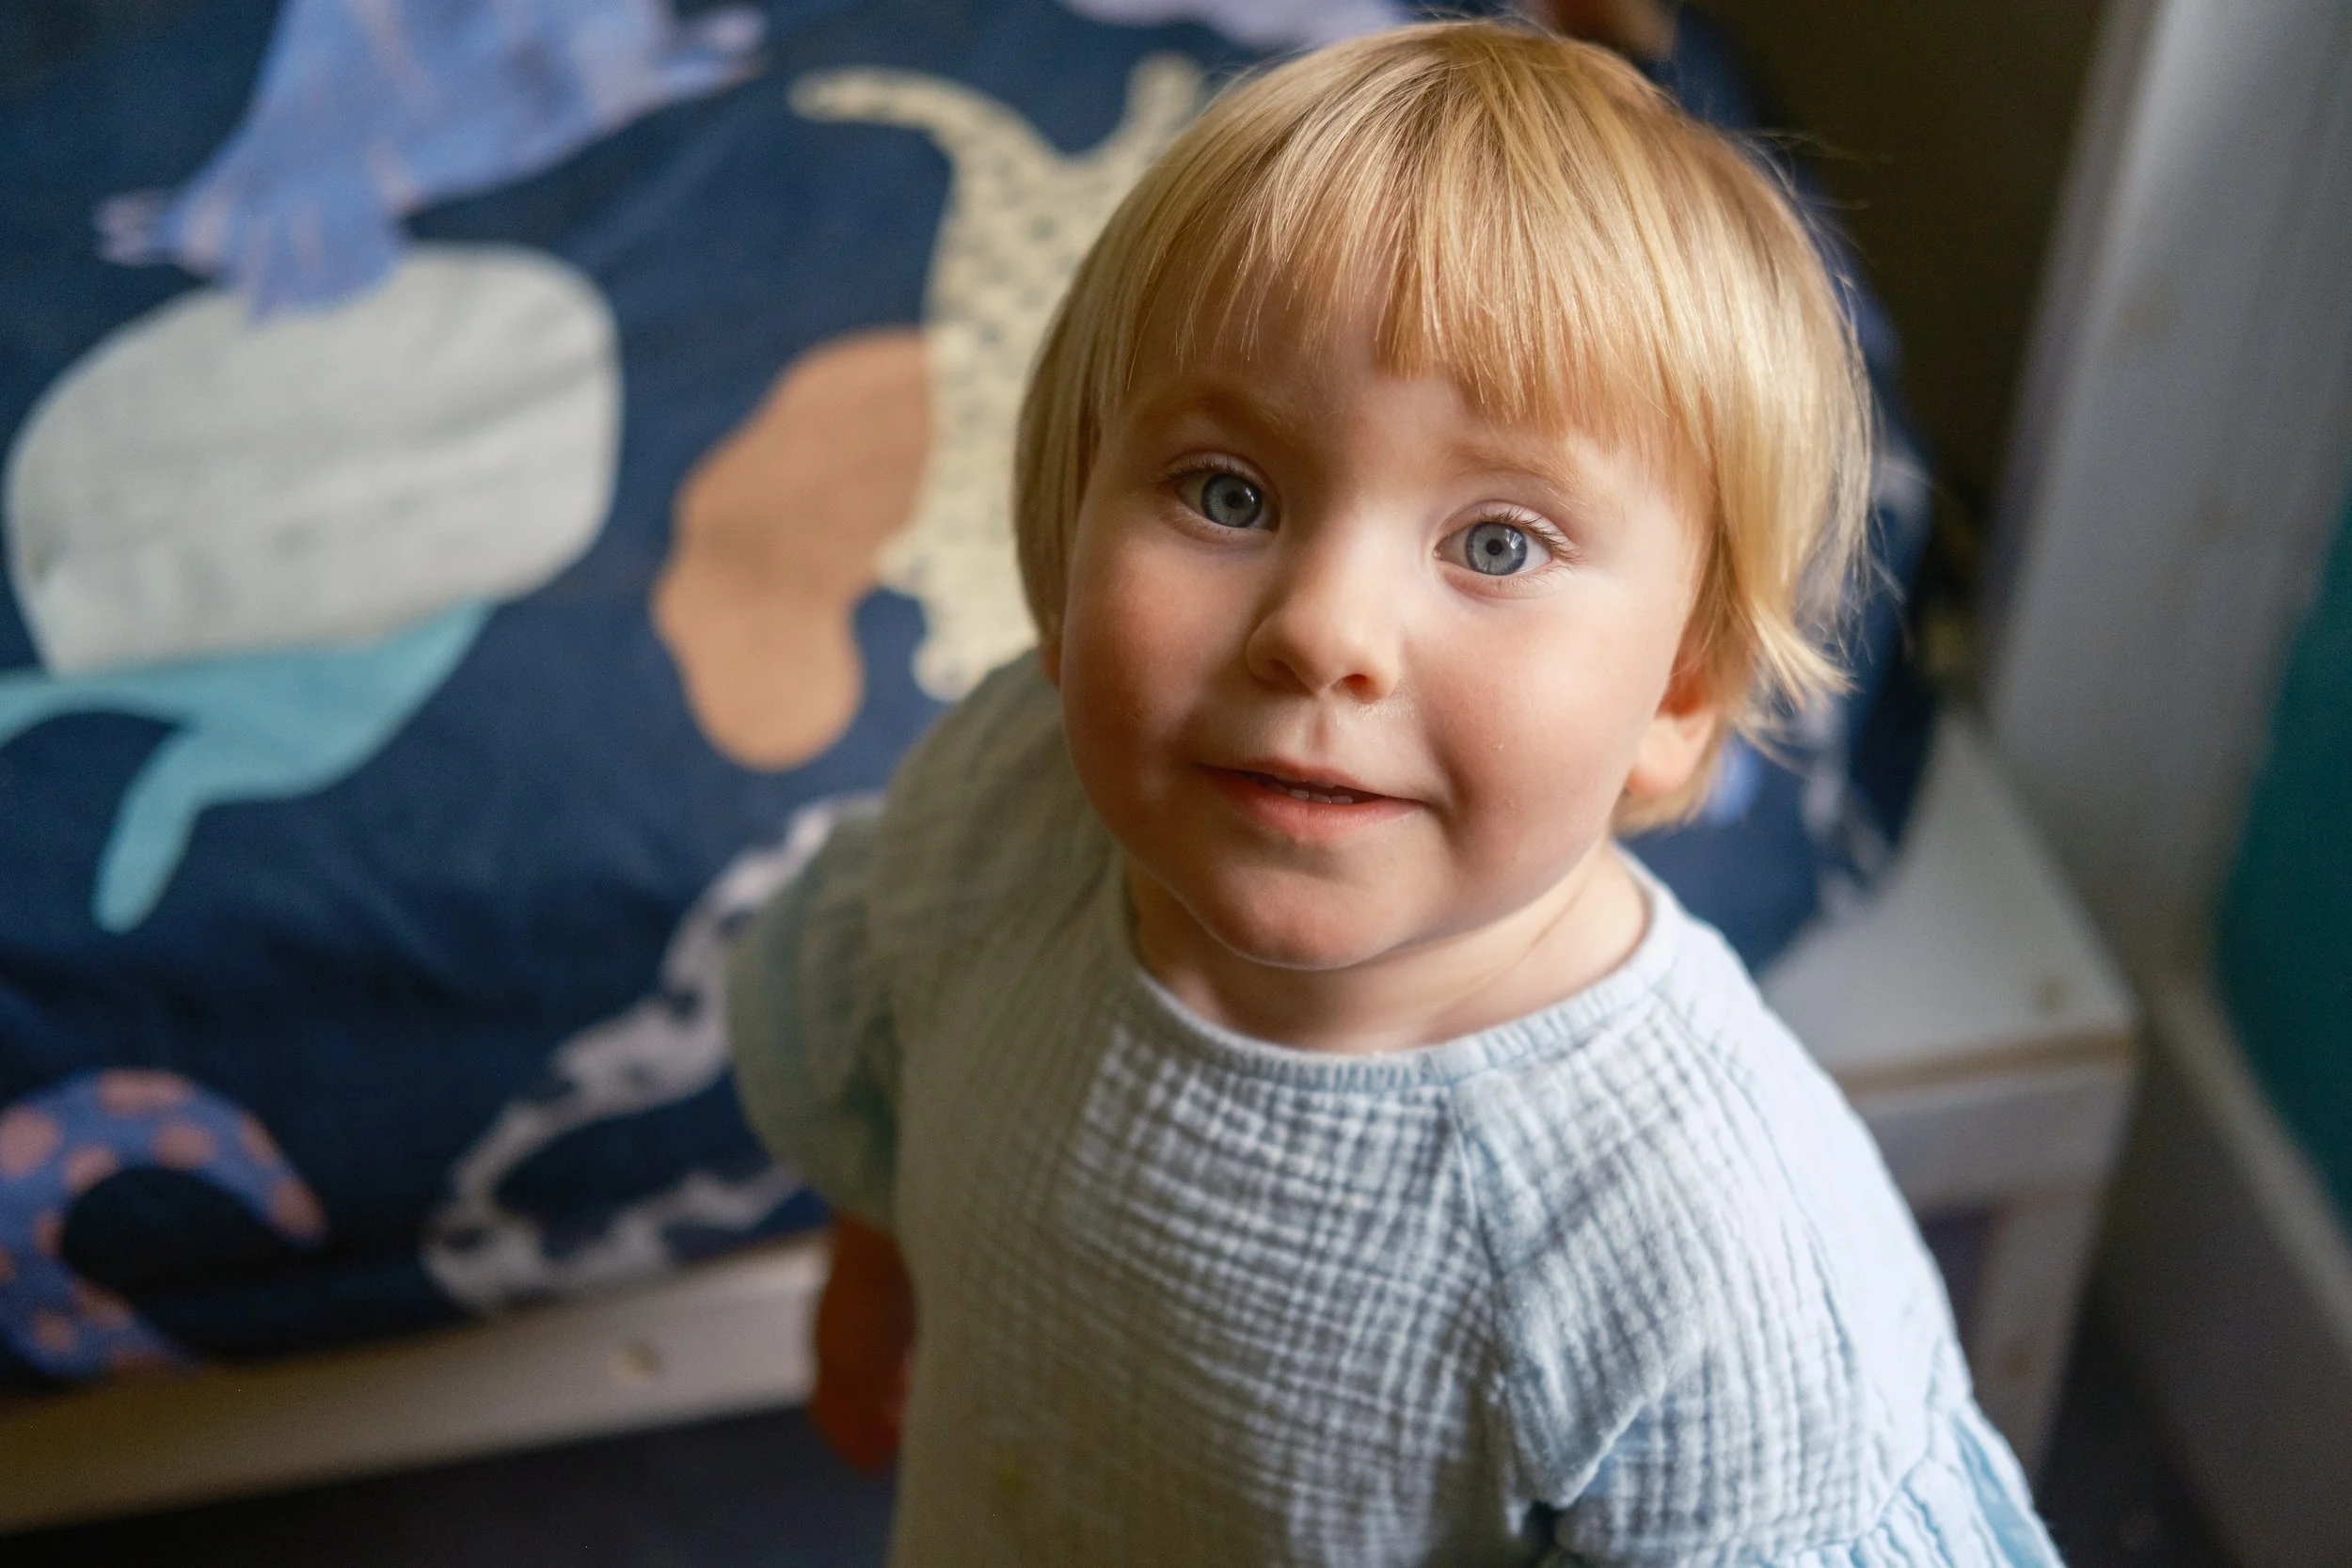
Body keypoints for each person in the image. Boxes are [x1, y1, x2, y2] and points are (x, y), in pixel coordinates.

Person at [728, 21, 2064, 1564]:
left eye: (1497, 543)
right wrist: (874, 1275)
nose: (1323, 629)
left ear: (1680, 690)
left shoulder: (1708, 1253)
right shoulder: (1007, 807)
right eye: (1227, 493)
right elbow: (887, 1056)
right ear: (1064, 522)